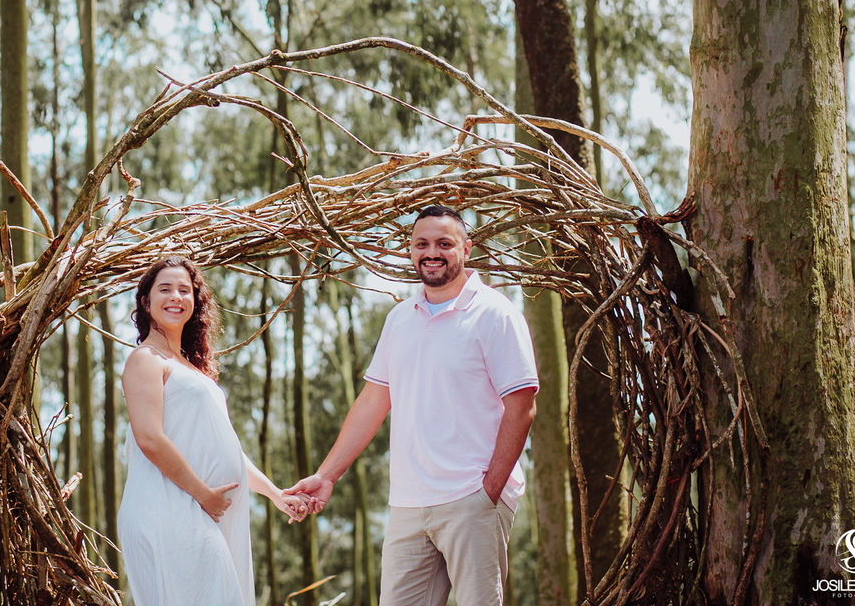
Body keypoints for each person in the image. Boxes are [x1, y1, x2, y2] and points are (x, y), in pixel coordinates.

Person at [287, 205, 539, 606]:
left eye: (444, 243)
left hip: (471, 498)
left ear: (466, 249)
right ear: (410, 250)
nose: (431, 252)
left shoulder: (496, 313)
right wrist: (328, 475)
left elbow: (522, 405)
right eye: (421, 243)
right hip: (407, 503)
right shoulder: (399, 318)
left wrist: (488, 490)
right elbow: (373, 400)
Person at [118, 256, 307, 606]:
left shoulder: (190, 367)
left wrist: (276, 495)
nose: (176, 296)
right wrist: (203, 494)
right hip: (171, 507)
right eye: (165, 289)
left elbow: (229, 449)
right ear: (145, 301)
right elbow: (149, 439)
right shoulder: (145, 359)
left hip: (202, 508)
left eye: (184, 290)